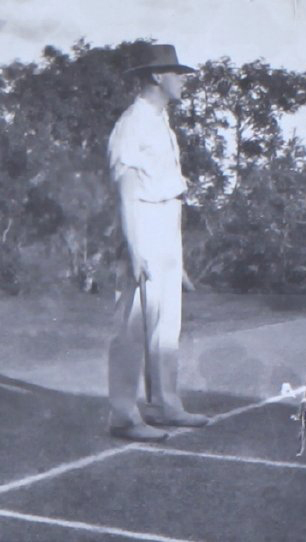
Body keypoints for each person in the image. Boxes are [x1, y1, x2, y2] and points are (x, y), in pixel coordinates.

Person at [106, 43, 209, 442]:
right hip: (143, 223)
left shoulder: (161, 122)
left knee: (166, 325)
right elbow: (128, 189)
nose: (182, 80)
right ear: (155, 76)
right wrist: (135, 249)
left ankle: (165, 405)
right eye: (176, 73)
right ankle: (123, 415)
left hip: (165, 226)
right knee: (133, 325)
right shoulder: (132, 123)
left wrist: (174, 257)